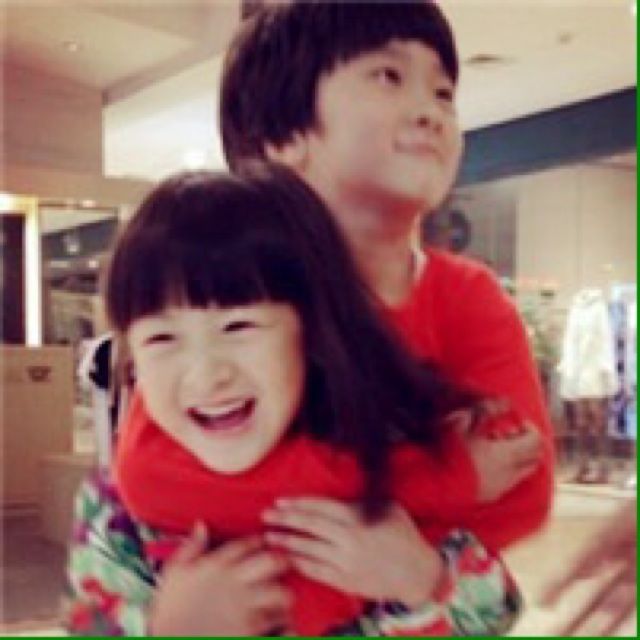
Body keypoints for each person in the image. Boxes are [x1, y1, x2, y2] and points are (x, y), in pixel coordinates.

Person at [65, 168, 526, 637]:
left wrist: (423, 580)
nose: (206, 375)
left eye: (238, 327)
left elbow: (493, 615)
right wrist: (172, 630)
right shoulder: (120, 508)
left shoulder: (391, 456)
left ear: (313, 332)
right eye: (162, 339)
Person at [218, 0, 554, 549]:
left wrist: (278, 506)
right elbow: (165, 479)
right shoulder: (229, 288)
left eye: (443, 93)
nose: (431, 113)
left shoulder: (468, 296)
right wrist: (443, 483)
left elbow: (521, 490)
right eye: (388, 77)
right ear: (285, 135)